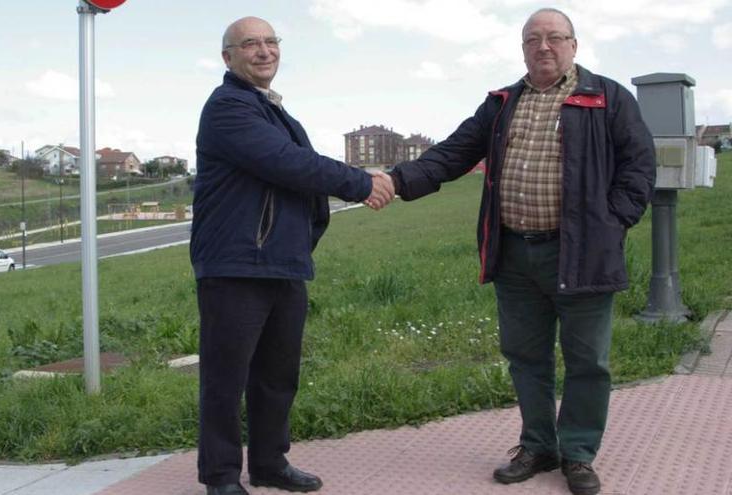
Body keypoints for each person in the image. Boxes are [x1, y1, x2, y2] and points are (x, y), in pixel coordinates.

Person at [386, 8, 655, 495]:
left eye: (555, 38)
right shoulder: (503, 102)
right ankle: (537, 445)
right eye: (534, 39)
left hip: (582, 254)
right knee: (525, 357)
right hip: (514, 254)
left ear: (574, 44)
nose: (544, 47)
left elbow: (639, 168)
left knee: (587, 361)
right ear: (523, 48)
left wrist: (612, 222)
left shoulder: (607, 97)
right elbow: (453, 152)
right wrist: (397, 181)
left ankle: (577, 453)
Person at [191, 16, 394, 495]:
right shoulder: (228, 107)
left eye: (270, 42)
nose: (263, 51)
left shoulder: (275, 111)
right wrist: (363, 182)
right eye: (250, 44)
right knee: (226, 379)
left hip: (282, 263)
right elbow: (289, 164)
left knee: (278, 376)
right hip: (236, 264)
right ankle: (220, 477)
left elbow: (297, 178)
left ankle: (269, 464)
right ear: (228, 57)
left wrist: (305, 239)